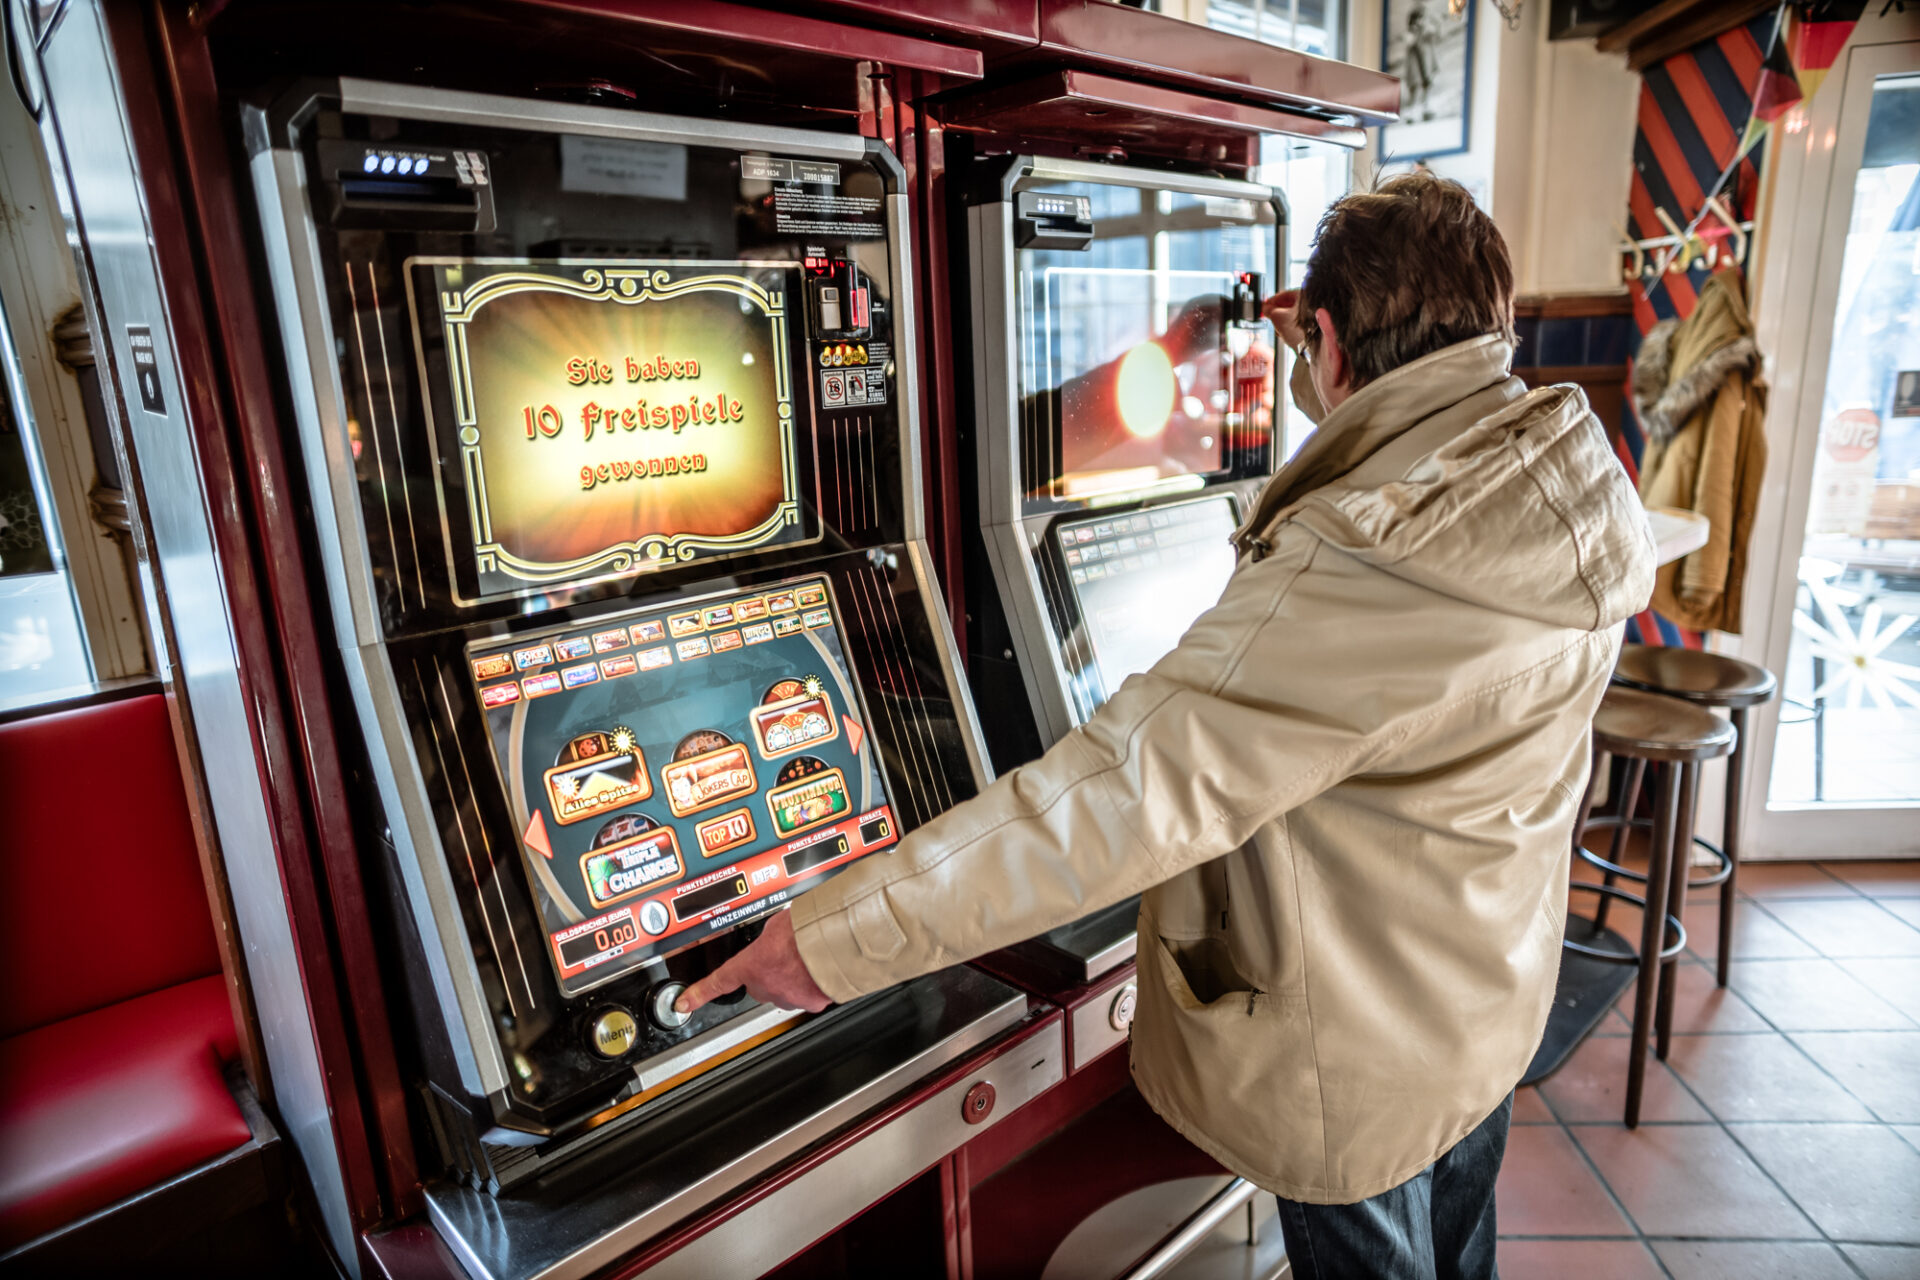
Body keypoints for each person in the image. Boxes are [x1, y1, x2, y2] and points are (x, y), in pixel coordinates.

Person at [679, 173, 1657, 1280]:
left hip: (1363, 1057)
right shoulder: (1563, 481)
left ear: (1326, 340)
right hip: (1480, 996)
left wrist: (834, 933)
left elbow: (1125, 787)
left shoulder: (1367, 555)